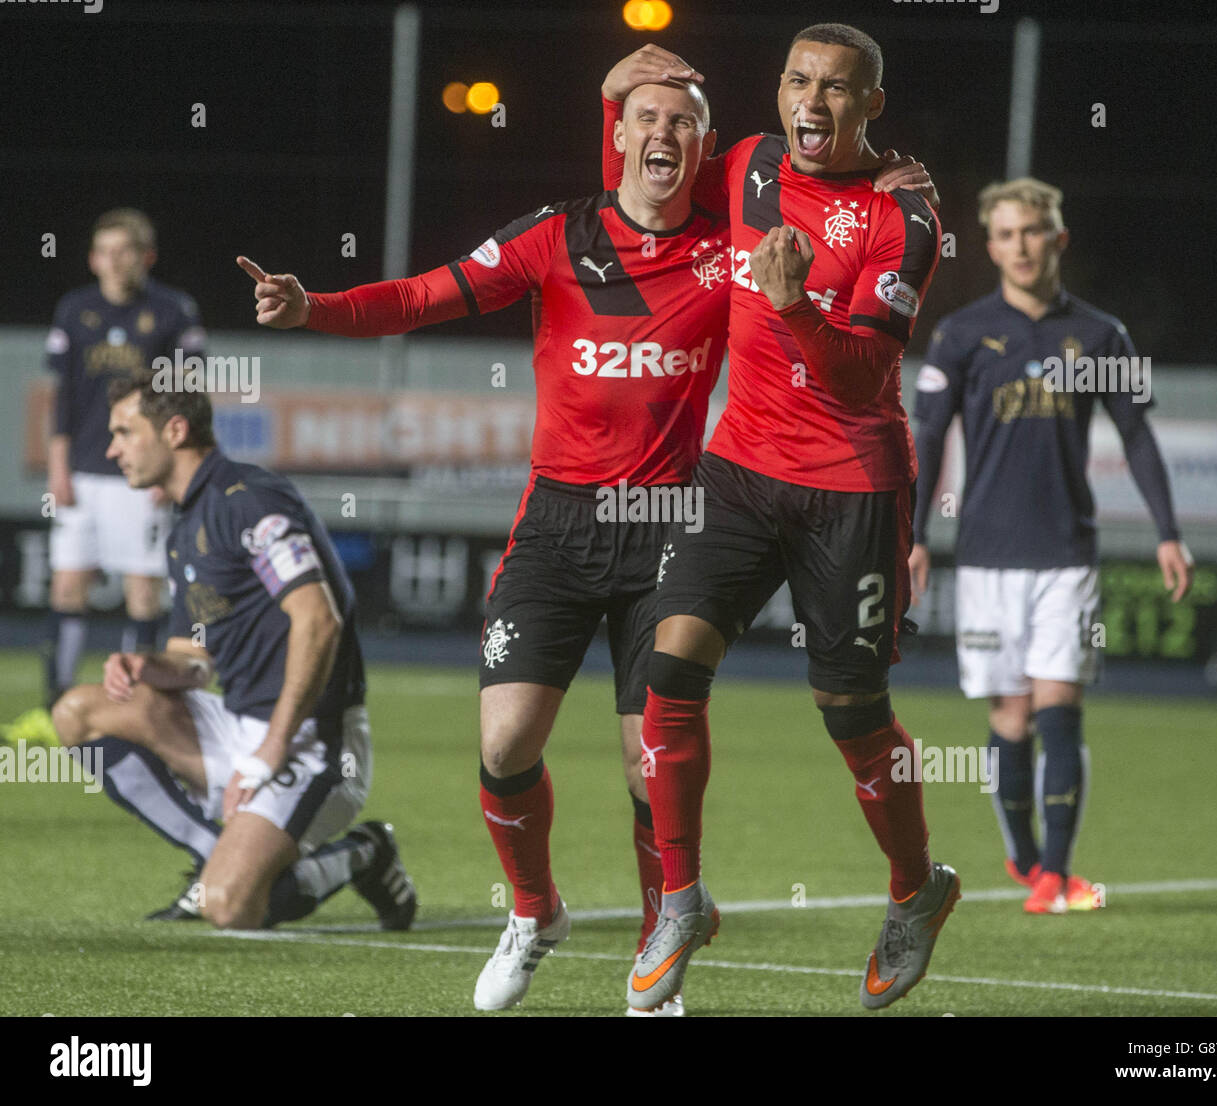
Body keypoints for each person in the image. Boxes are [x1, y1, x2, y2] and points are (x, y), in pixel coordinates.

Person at [238, 73, 944, 1014]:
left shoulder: (727, 234)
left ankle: (667, 944)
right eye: (645, 120)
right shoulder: (554, 234)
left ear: (706, 148)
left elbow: (834, 197)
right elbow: (424, 295)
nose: (665, 136)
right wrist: (314, 307)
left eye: (685, 124)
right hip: (559, 524)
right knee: (504, 742)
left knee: (653, 753)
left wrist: (888, 177)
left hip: (669, 524)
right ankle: (534, 912)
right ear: (614, 136)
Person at [600, 25, 957, 1014]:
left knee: (851, 712)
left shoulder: (908, 219)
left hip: (852, 481)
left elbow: (858, 374)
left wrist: (794, 305)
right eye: (797, 79)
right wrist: (611, 101)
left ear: (869, 106)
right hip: (739, 470)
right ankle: (678, 897)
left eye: (836, 88)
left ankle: (914, 889)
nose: (811, 100)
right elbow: (640, 190)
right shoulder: (748, 162)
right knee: (666, 672)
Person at [909, 177, 1191, 914]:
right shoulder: (962, 334)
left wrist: (1169, 533)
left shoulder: (1102, 336)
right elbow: (929, 438)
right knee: (1008, 714)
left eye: (1032, 231)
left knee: (1059, 706)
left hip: (1067, 554)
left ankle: (1056, 877)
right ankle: (1028, 860)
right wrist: (913, 537)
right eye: (1005, 235)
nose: (1020, 246)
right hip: (986, 559)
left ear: (1057, 238)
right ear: (991, 245)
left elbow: (1137, 435)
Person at [51, 374, 417, 932]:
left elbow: (318, 620)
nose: (111, 449)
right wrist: (148, 667)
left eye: (124, 432)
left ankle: (364, 853)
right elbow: (193, 661)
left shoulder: (249, 501)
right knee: (77, 712)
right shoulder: (185, 527)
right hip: (237, 727)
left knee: (231, 908)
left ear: (174, 431)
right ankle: (214, 858)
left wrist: (272, 748)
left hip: (310, 742)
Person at [43, 209, 204, 710]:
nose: (114, 261)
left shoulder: (174, 312)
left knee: (143, 593)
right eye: (104, 251)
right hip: (84, 471)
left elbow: (187, 395)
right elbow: (62, 395)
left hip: (141, 476)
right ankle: (57, 701)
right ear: (92, 259)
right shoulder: (74, 310)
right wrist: (57, 466)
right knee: (67, 587)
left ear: (146, 258)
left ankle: (138, 703)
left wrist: (169, 471)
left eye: (125, 251)